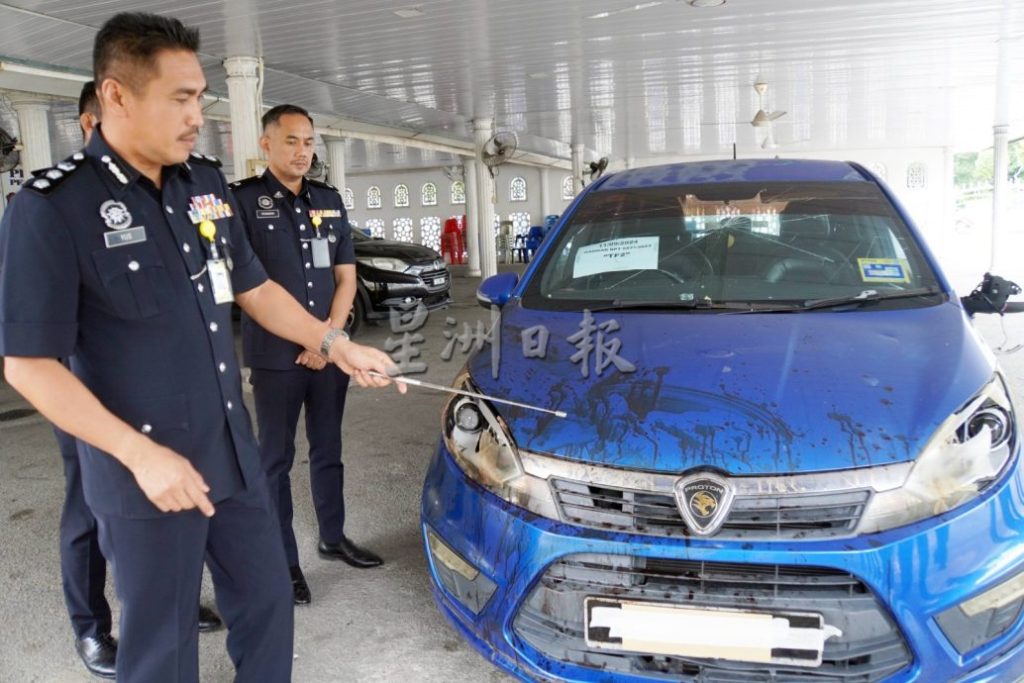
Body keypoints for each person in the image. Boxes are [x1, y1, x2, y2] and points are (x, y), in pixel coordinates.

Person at [0, 12, 401, 683]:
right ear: (117, 95)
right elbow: (28, 365)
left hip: (230, 451)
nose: (197, 116)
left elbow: (255, 288)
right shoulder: (52, 207)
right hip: (144, 471)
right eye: (181, 98)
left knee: (268, 604)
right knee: (163, 644)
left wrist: (334, 342)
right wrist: (138, 454)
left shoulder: (203, 186)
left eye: (201, 98)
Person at [50, 80, 220, 680]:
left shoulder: (161, 192)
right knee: (91, 508)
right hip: (85, 390)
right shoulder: (60, 204)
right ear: (91, 123)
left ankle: (168, 603)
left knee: (171, 499)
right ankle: (91, 626)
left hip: (157, 388)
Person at [230, 104, 382, 608]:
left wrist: (329, 340)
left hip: (330, 354)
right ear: (266, 144)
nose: (302, 151)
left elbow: (346, 278)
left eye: (309, 142)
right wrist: (314, 341)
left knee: (328, 449)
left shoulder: (329, 201)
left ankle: (333, 538)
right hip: (277, 357)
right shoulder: (242, 202)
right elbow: (248, 288)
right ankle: (284, 561)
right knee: (274, 460)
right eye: (291, 140)